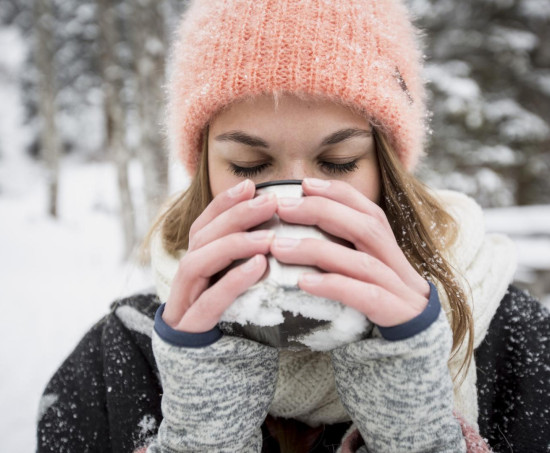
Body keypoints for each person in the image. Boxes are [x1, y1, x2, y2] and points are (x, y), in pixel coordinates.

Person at [37, 0, 550, 452]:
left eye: (340, 161)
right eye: (249, 166)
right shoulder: (120, 358)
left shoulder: (519, 348)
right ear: (206, 171)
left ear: (387, 170)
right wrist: (200, 432)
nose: (295, 204)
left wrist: (414, 422)